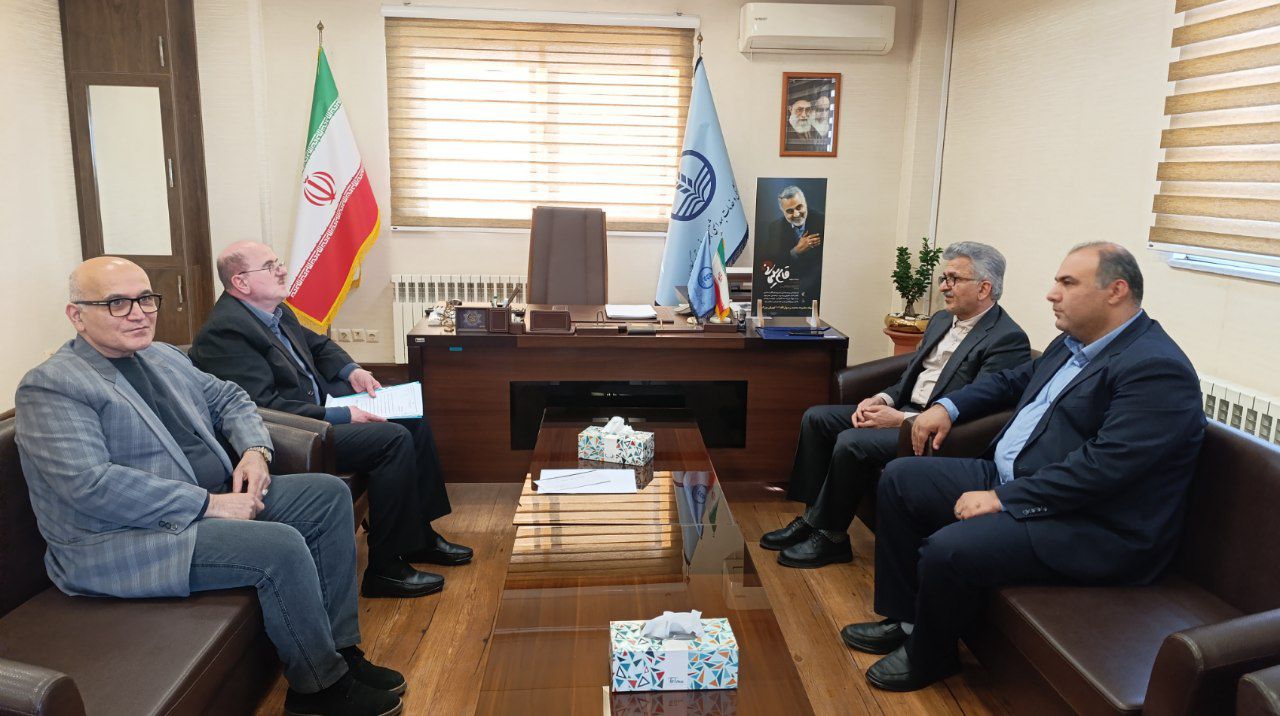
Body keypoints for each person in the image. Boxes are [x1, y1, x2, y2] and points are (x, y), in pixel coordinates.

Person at [15, 257, 404, 716]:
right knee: (279, 546)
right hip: (122, 538)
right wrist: (209, 504)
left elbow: (230, 397)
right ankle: (318, 689)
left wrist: (255, 451)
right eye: (117, 303)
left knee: (327, 495)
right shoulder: (53, 385)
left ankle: (340, 651)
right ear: (77, 315)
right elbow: (90, 485)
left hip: (214, 497)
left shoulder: (161, 356)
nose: (138, 314)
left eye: (145, 299)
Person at [842, 242, 1206, 692]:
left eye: (1067, 283)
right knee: (900, 479)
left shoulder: (1156, 369)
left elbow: (1104, 467)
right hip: (1022, 480)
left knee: (948, 548)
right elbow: (1012, 380)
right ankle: (906, 621)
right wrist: (946, 407)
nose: (1052, 293)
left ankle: (931, 655)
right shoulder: (1072, 343)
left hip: (1095, 524)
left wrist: (1002, 498)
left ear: (1115, 291)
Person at [189, 241, 471, 601]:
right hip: (293, 435)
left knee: (412, 419)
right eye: (270, 266)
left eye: (278, 262)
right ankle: (385, 568)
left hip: (318, 410)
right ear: (240, 282)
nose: (282, 270)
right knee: (392, 439)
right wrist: (342, 414)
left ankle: (418, 537)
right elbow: (263, 408)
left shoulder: (274, 310)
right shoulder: (226, 333)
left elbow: (319, 345)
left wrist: (352, 370)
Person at [763, 242, 1030, 568]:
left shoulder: (1007, 339)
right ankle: (812, 519)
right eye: (943, 278)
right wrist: (882, 398)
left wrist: (901, 420)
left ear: (984, 288)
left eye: (954, 279)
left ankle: (832, 538)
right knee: (817, 418)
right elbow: (911, 376)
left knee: (851, 441)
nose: (943, 287)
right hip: (903, 408)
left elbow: (981, 406)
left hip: (936, 431)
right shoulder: (941, 320)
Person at [759, 186, 826, 303]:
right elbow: (772, 263)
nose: (796, 214)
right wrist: (795, 251)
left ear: (805, 203)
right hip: (786, 292)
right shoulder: (775, 228)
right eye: (789, 211)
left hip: (817, 292)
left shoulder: (823, 221)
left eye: (799, 207)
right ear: (783, 211)